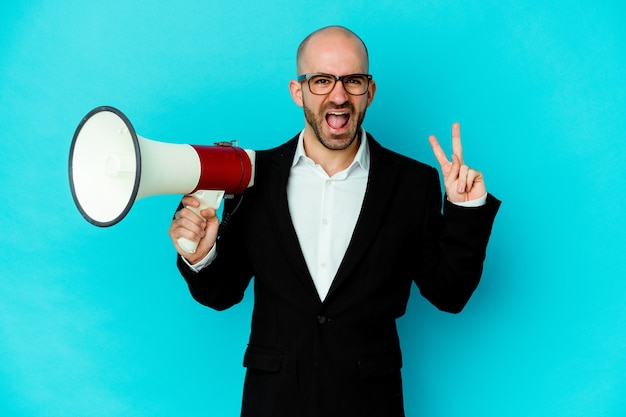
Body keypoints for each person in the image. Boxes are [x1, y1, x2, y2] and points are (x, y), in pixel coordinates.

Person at [168, 25, 500, 417]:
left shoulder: (413, 184)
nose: (338, 96)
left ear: (370, 92)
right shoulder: (254, 176)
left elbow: (450, 295)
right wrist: (202, 256)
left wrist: (465, 211)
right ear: (298, 91)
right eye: (322, 80)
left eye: (353, 81)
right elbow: (221, 294)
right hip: (273, 401)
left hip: (369, 402)